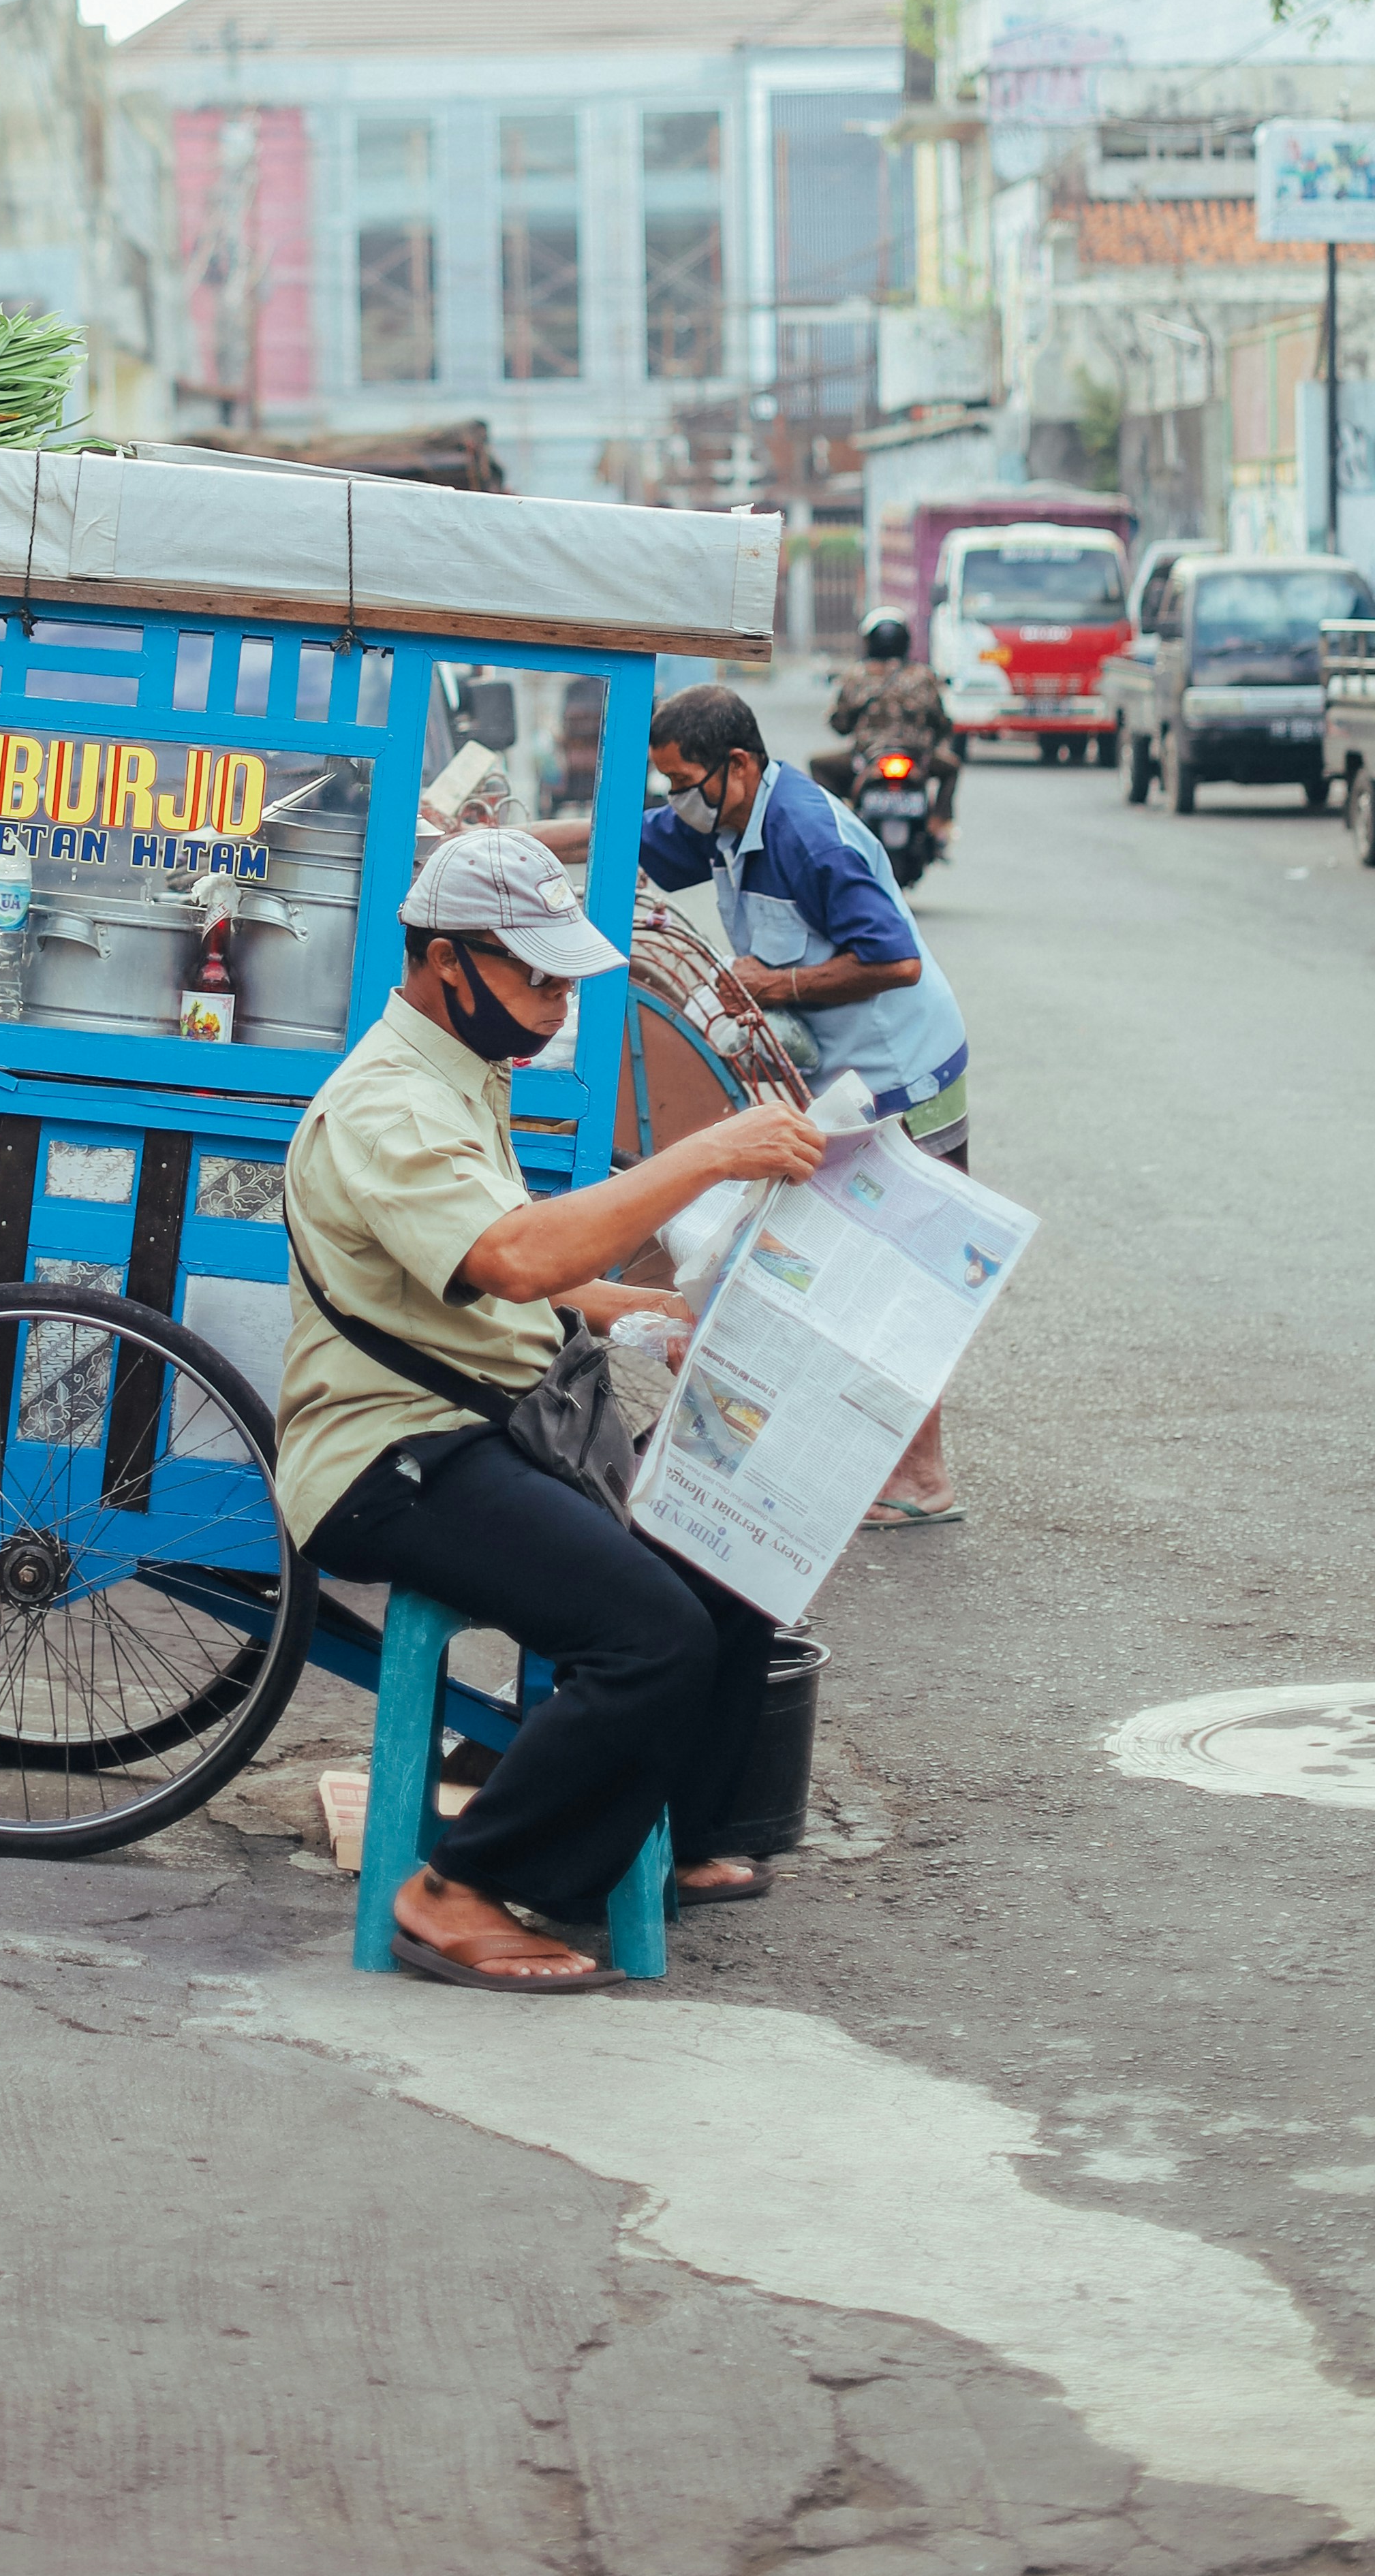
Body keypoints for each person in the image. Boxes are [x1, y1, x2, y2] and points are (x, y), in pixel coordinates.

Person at [280, 823, 826, 1992]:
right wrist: (714, 1153)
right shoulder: (387, 1106)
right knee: (648, 1632)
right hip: (395, 1459)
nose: (550, 999)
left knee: (725, 1555)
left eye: (558, 976)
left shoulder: (459, 1076)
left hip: (489, 1422)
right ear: (440, 963)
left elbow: (500, 1265)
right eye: (533, 975)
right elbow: (515, 1257)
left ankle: (662, 1833)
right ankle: (456, 1888)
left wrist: (643, 1312)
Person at [639, 683, 970, 1528]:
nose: (674, 801)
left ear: (737, 767)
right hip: (840, 1080)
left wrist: (774, 981)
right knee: (805, 1257)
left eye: (683, 784)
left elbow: (892, 960)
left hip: (903, 1075)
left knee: (899, 1274)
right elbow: (624, 842)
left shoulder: (804, 834)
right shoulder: (720, 821)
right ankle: (821, 1449)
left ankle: (922, 1478)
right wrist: (517, 842)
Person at [810, 608, 961, 849]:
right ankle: (939, 823)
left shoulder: (856, 675)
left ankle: (835, 825)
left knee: (818, 765)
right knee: (951, 767)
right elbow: (940, 720)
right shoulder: (923, 676)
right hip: (916, 757)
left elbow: (841, 724)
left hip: (869, 758)